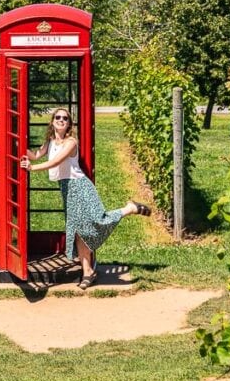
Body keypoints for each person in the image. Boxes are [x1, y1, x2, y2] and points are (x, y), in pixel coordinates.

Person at [20, 107, 151, 290]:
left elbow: (57, 161)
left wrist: (33, 169)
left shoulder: (71, 142)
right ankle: (88, 271)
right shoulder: (50, 142)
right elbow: (35, 155)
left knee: (98, 220)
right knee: (79, 231)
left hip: (80, 186)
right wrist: (17, 142)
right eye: (57, 117)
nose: (61, 120)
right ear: (52, 121)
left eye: (65, 118)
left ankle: (129, 208)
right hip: (66, 188)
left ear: (69, 124)